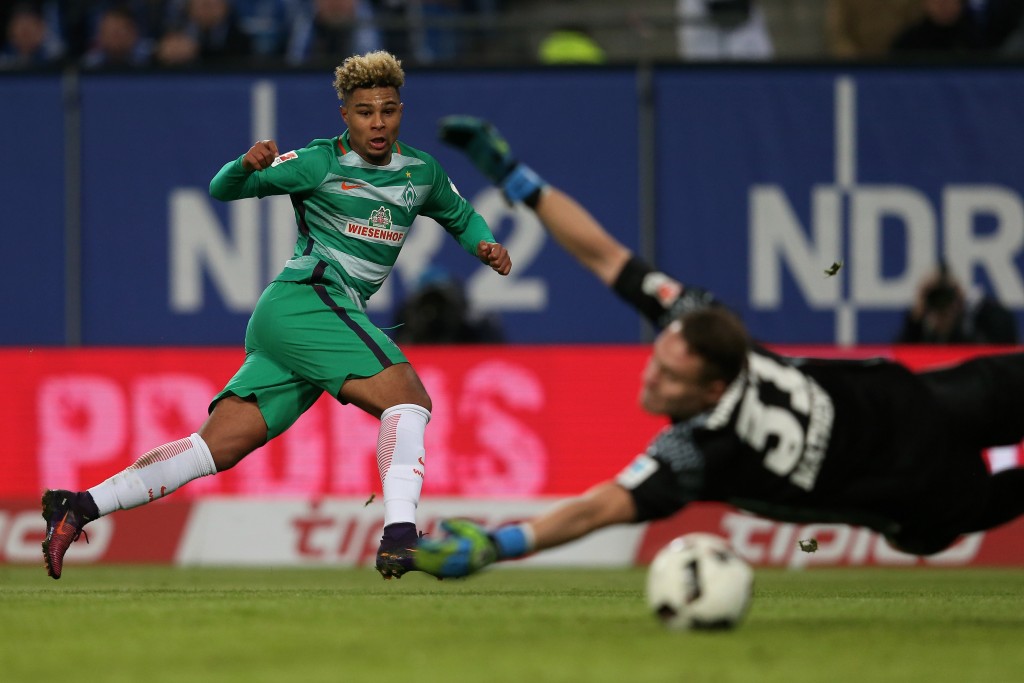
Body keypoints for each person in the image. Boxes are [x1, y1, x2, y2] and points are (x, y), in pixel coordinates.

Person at [410, 116, 1024, 578]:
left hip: (933, 406)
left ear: (711, 390)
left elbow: (598, 509)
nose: (651, 380)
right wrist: (516, 177)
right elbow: (604, 255)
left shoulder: (700, 448)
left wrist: (498, 544)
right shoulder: (701, 324)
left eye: (671, 379)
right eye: (660, 359)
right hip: (923, 492)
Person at [41, 52, 511, 582]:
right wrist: (245, 165)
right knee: (409, 401)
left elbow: (460, 213)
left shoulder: (421, 171)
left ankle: (77, 506)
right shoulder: (318, 162)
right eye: (364, 112)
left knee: (213, 448)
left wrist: (485, 244)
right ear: (344, 116)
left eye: (387, 110)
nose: (377, 123)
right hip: (308, 299)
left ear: (401, 110)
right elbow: (224, 189)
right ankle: (401, 535)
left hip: (299, 320)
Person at [896, 264, 1018, 344]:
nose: (941, 304)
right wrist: (915, 320)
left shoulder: (974, 321)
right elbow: (899, 362)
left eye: (946, 296)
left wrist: (961, 311)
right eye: (934, 297)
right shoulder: (918, 329)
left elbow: (1002, 349)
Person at [825, 0, 924, 59]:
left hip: (900, 64)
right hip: (860, 65)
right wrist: (856, 62)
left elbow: (918, 27)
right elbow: (839, 34)